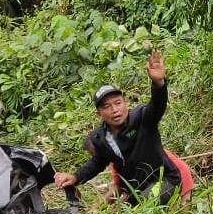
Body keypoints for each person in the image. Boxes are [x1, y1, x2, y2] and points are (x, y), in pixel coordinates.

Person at [53, 50, 187, 205]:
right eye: (107, 106)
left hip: (165, 180)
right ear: (99, 114)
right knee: (132, 208)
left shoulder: (142, 117)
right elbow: (96, 163)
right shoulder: (100, 138)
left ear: (126, 104)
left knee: (144, 206)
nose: (114, 110)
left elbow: (158, 105)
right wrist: (75, 177)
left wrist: (159, 84)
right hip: (136, 189)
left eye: (118, 103)